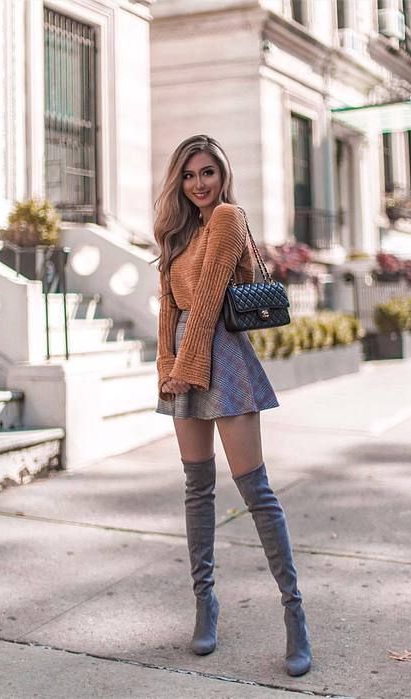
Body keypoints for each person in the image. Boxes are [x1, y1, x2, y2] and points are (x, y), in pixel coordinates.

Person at [154, 134, 312, 677]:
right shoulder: (176, 232)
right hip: (183, 360)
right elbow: (167, 310)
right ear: (180, 180)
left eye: (208, 173)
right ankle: (206, 606)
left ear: (222, 176)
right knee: (197, 489)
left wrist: (187, 369)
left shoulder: (227, 217)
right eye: (190, 175)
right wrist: (166, 369)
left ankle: (294, 613)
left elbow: (203, 306)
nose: (200, 184)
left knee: (256, 491)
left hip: (219, 354)